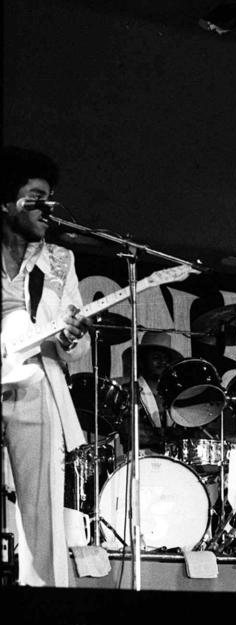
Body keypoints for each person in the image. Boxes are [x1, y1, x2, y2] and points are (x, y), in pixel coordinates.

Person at [1, 146, 91, 586]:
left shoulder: (60, 260)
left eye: (50, 197)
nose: (47, 207)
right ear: (6, 202)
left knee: (42, 508)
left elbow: (76, 342)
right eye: (36, 197)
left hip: (36, 382)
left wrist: (73, 337)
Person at [115, 331, 184, 454]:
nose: (163, 362)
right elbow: (129, 432)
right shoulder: (128, 392)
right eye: (156, 358)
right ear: (142, 361)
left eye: (166, 359)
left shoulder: (176, 395)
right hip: (140, 464)